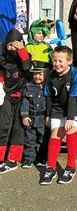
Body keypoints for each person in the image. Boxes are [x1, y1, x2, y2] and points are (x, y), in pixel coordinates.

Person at [40, 46, 77, 185]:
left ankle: (71, 167)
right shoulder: (50, 75)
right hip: (57, 107)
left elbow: (73, 97)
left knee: (70, 130)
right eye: (54, 60)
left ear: (69, 61)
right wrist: (48, 115)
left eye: (60, 61)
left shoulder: (76, 74)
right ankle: (51, 167)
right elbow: (48, 97)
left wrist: (70, 118)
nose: (57, 64)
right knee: (55, 134)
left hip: (74, 106)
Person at [0, 29, 32, 174]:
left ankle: (12, 160)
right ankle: (1, 157)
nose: (12, 48)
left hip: (21, 96)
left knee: (18, 128)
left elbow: (26, 66)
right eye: (10, 45)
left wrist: (21, 49)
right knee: (3, 125)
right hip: (6, 95)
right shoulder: (2, 58)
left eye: (15, 45)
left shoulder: (24, 56)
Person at [20, 67, 49, 169]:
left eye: (40, 74)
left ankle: (41, 158)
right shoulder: (29, 86)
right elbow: (25, 102)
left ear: (45, 74)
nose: (37, 76)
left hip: (43, 118)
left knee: (43, 139)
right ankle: (28, 158)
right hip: (31, 118)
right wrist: (24, 115)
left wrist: (48, 117)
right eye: (35, 74)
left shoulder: (47, 87)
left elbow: (50, 103)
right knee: (29, 139)